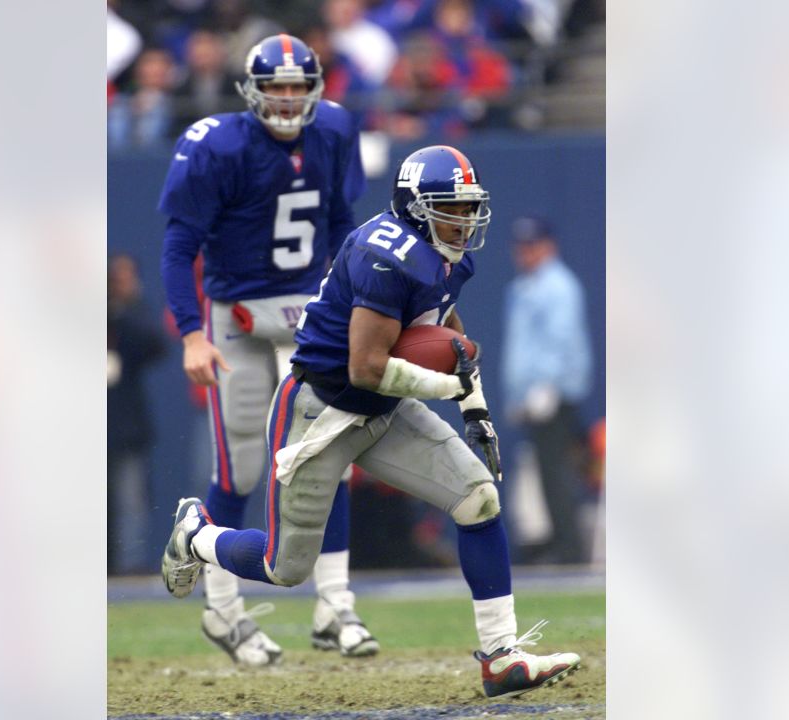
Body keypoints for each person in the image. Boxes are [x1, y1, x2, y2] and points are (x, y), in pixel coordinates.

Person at [162, 145, 582, 698]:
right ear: (414, 207)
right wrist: (447, 388)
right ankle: (197, 535)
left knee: (478, 497)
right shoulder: (384, 254)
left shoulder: (450, 255)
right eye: (450, 208)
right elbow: (365, 367)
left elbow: (446, 330)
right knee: (283, 566)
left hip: (383, 409)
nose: (463, 220)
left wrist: (473, 404)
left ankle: (500, 657)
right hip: (321, 410)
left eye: (467, 206)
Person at [159, 34, 376, 667]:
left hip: (311, 313)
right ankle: (223, 612)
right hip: (238, 318)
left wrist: (351, 296)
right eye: (275, 87)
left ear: (315, 90)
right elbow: (179, 248)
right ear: (251, 92)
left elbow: (340, 221)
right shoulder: (216, 145)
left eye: (297, 86)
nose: (286, 99)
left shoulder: (334, 130)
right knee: (242, 471)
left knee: (327, 455)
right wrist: (191, 332)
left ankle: (335, 603)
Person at [501, 216, 594, 564]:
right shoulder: (524, 287)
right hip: (532, 397)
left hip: (555, 396)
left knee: (556, 475)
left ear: (549, 246)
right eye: (521, 247)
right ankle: (560, 543)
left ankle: (571, 551)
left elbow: (560, 340)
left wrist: (546, 387)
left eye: (533, 246)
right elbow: (522, 348)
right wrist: (518, 394)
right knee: (543, 475)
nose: (526, 253)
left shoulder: (558, 285)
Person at [107, 254, 167, 574]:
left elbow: (156, 345)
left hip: (126, 426)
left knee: (131, 501)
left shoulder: (134, 315)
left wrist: (121, 310)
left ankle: (129, 568)